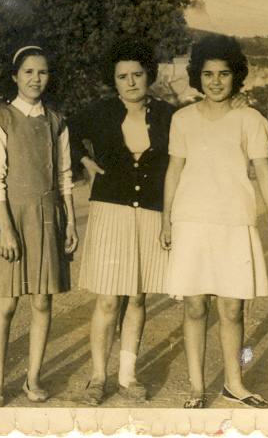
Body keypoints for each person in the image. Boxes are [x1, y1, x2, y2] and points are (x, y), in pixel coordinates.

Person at [160, 34, 268, 409]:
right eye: (209, 74)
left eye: (224, 74)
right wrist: (166, 220)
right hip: (191, 221)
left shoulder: (251, 119)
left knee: (231, 309)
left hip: (235, 221)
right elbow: (173, 171)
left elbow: (264, 174)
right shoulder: (182, 119)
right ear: (198, 76)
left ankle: (234, 383)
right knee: (195, 306)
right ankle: (197, 389)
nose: (216, 81)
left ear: (236, 76)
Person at [68, 37, 175, 405]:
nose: (131, 82)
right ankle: (98, 377)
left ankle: (128, 376)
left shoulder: (167, 115)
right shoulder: (98, 111)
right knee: (109, 299)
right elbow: (64, 131)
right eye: (122, 76)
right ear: (113, 80)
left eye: (137, 74)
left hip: (150, 212)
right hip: (110, 211)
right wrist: (84, 161)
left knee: (138, 296)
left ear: (150, 75)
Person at [0, 45, 79, 407]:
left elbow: (66, 177)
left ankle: (33, 378)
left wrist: (68, 222)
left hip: (48, 218)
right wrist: (6, 228)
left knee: (42, 301)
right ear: (15, 77)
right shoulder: (1, 119)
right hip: (14, 220)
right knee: (6, 305)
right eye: (28, 72)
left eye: (43, 72)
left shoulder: (56, 121)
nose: (36, 79)